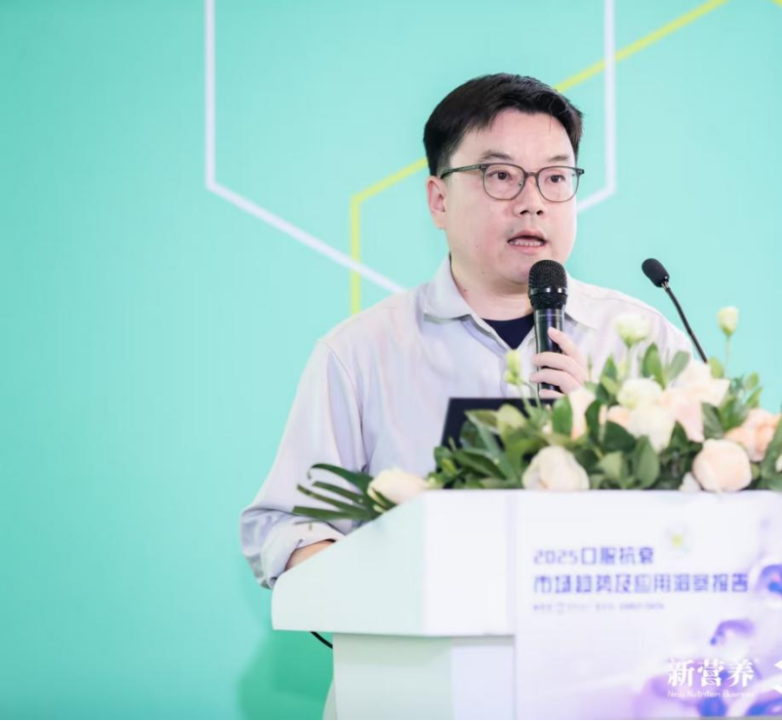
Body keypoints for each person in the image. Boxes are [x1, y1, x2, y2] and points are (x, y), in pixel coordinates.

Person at [240, 73, 692, 590]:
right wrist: (394, 590)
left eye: (555, 177)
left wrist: (607, 441)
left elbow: (707, 523)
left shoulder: (643, 340)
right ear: (439, 200)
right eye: (501, 175)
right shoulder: (361, 354)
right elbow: (286, 529)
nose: (532, 201)